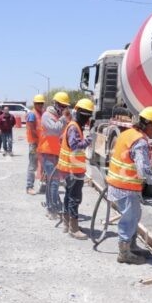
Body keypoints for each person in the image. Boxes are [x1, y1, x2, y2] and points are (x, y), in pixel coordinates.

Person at [106, 106, 152, 265]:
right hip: (126, 186)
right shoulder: (140, 142)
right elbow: (143, 169)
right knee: (129, 218)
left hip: (118, 183)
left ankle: (131, 246)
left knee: (134, 215)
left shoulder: (127, 134)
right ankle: (124, 253)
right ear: (149, 124)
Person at [59, 99, 94, 239]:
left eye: (88, 116)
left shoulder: (72, 125)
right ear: (79, 113)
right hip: (73, 170)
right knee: (74, 198)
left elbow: (61, 139)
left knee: (69, 196)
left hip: (69, 168)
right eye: (85, 116)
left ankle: (67, 224)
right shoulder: (74, 127)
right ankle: (73, 228)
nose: (87, 119)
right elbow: (74, 146)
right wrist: (89, 140)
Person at [39, 92, 70, 220]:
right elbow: (55, 130)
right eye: (62, 105)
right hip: (48, 153)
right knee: (54, 183)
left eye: (65, 106)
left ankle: (53, 207)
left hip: (56, 153)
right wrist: (63, 119)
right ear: (56, 104)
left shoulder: (57, 116)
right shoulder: (47, 115)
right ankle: (52, 210)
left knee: (52, 182)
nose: (63, 108)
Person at [26, 94, 45, 195]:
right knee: (33, 165)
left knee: (43, 165)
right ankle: (29, 187)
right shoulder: (32, 114)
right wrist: (38, 140)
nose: (40, 105)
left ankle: (43, 186)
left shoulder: (42, 113)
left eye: (42, 103)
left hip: (41, 143)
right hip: (34, 143)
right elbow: (31, 128)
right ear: (34, 104)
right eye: (38, 103)